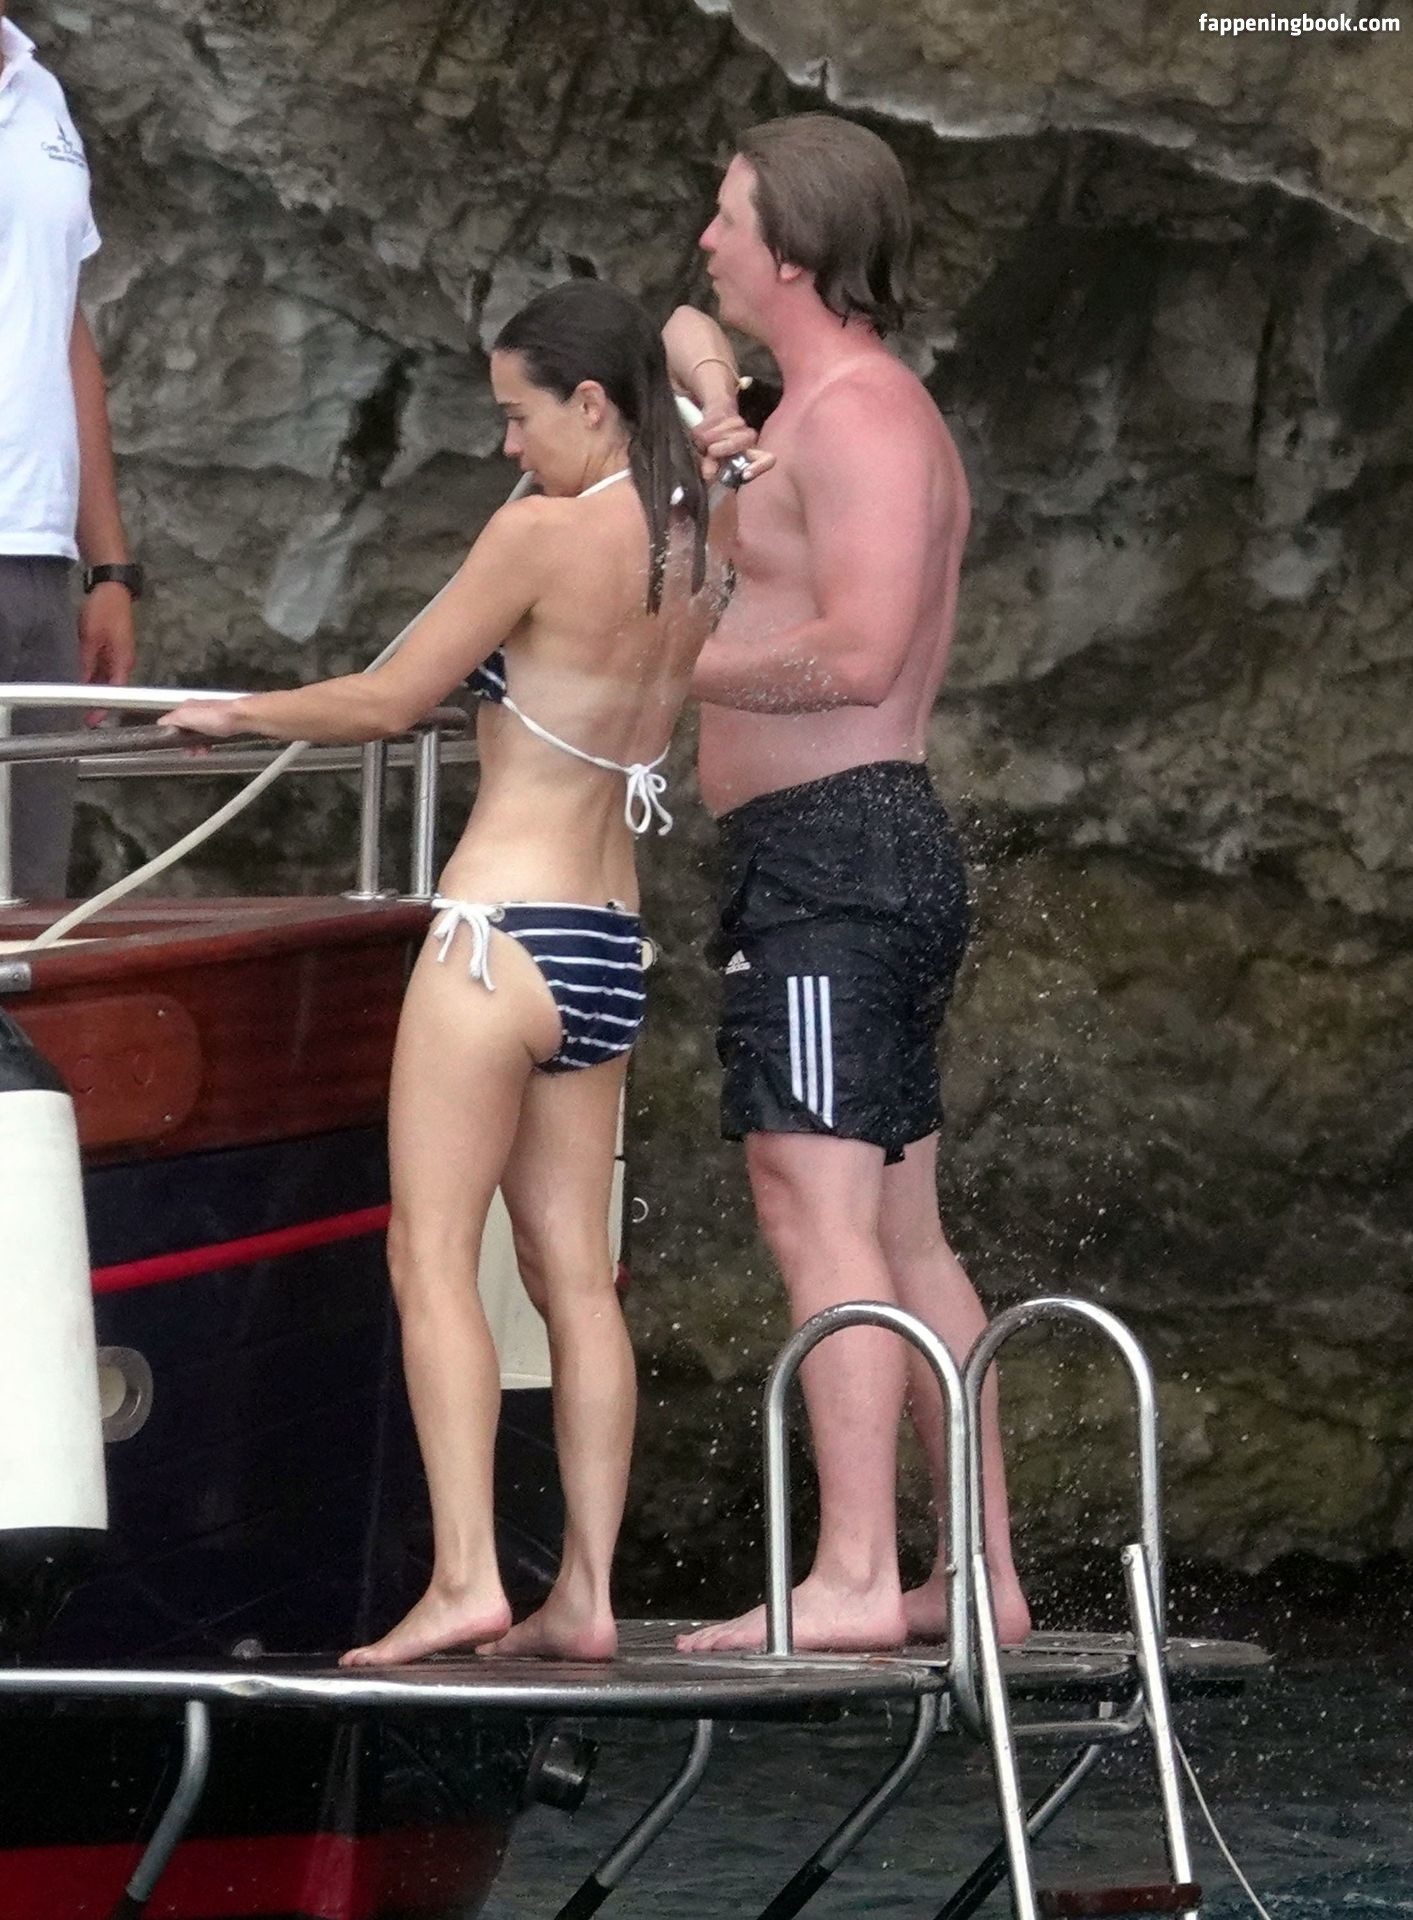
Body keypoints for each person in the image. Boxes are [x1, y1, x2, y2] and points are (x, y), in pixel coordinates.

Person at [165, 280, 754, 1666]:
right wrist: (719, 402)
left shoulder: (541, 534)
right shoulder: (696, 536)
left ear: (591, 402)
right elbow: (683, 326)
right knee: (576, 1281)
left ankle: (467, 1578)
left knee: (428, 1254)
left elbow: (390, 697)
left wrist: (231, 715)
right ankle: (587, 1594)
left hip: (497, 936)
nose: (506, 445)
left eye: (518, 414)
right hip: (606, 942)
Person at [664, 113, 1031, 1654]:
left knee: (814, 1216)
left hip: (837, 854)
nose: (706, 238)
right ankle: (980, 1577)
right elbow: (686, 352)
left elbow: (863, 652)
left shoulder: (865, 415)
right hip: (836, 855)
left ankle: (857, 1577)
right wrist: (716, 426)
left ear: (796, 248)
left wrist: (662, 664)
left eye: (729, 215)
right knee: (896, 1232)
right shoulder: (805, 411)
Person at [0, 6, 140, 899]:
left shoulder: (40, 91)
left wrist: (111, 568)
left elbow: (64, 325)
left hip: (39, 564)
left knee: (28, 901)